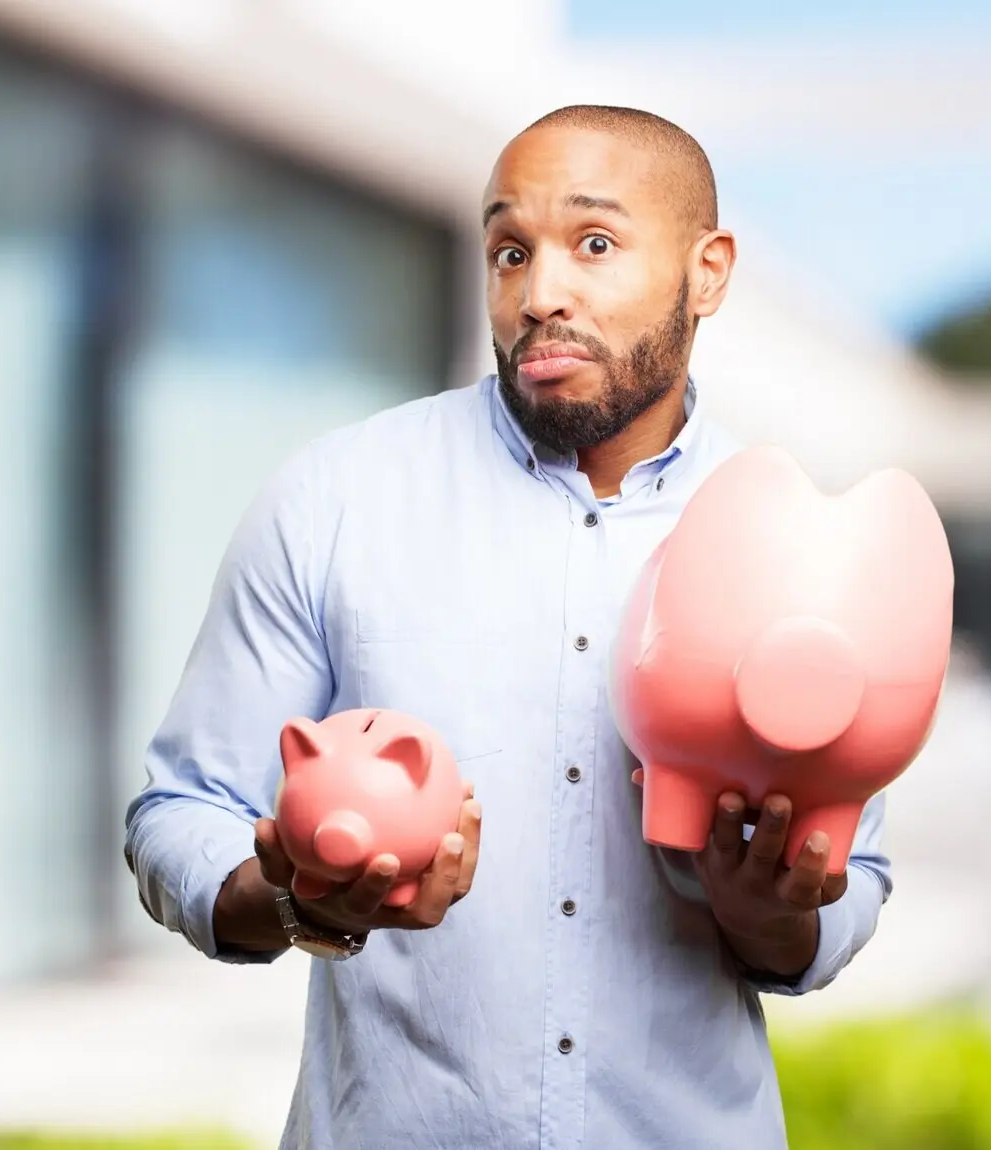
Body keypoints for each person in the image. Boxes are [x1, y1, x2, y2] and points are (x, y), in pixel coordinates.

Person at [124, 104, 892, 1150]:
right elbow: (178, 812)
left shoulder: (794, 539)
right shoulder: (335, 499)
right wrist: (308, 901)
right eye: (508, 250)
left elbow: (855, 879)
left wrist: (770, 912)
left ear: (707, 272)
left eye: (595, 243)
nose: (540, 294)